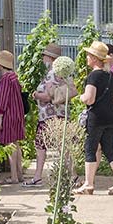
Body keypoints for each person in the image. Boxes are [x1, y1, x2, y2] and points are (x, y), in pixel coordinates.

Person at [80, 40, 113, 195]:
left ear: (94, 58)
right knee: (109, 150)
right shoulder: (111, 76)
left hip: (96, 117)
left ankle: (88, 184)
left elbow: (90, 98)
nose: (87, 57)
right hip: (111, 116)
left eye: (89, 55)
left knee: (90, 149)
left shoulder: (93, 76)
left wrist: (81, 97)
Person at [29, 43, 73, 186]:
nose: (43, 58)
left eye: (45, 56)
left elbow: (48, 97)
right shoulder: (64, 74)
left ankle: (38, 177)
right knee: (62, 146)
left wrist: (36, 95)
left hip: (49, 115)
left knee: (41, 146)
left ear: (50, 58)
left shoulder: (51, 73)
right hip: (61, 114)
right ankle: (72, 175)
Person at [0, 50, 26, 184]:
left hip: (8, 115)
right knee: (15, 144)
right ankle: (19, 174)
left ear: (0, 64)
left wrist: (0, 117)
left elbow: (3, 99)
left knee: (10, 144)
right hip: (17, 113)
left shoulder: (5, 79)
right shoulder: (14, 77)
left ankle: (14, 176)